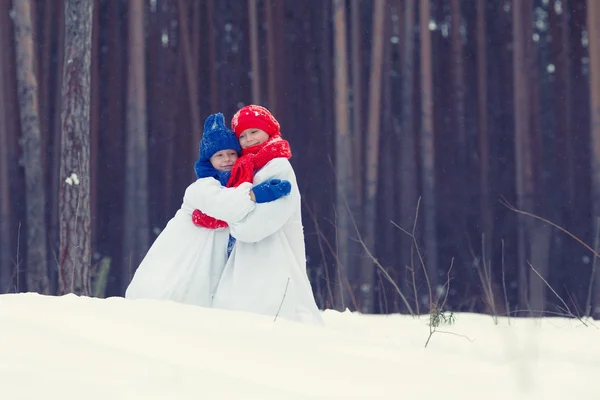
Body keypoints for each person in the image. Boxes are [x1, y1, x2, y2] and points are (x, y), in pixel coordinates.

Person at [125, 113, 291, 306]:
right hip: (185, 255)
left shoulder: (234, 186)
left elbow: (230, 211)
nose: (227, 159)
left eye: (231, 153)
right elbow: (232, 209)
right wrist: (257, 195)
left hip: (211, 258)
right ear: (208, 161)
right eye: (219, 155)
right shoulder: (201, 187)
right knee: (170, 293)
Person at [202, 105, 324, 326]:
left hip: (273, 258)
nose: (248, 140)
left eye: (254, 132)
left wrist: (232, 220)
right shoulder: (248, 167)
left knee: (273, 320)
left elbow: (256, 226)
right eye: (242, 135)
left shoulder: (277, 166)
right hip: (247, 260)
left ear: (268, 130)